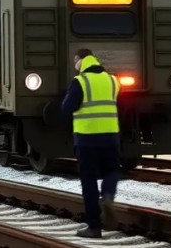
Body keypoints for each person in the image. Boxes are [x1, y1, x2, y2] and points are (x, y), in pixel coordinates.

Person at [60, 48, 121, 239]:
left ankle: (94, 228)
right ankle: (109, 195)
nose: (75, 65)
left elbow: (67, 108)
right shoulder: (113, 80)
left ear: (80, 61)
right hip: (110, 136)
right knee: (112, 170)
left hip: (87, 139)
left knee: (89, 183)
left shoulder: (80, 81)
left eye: (75, 62)